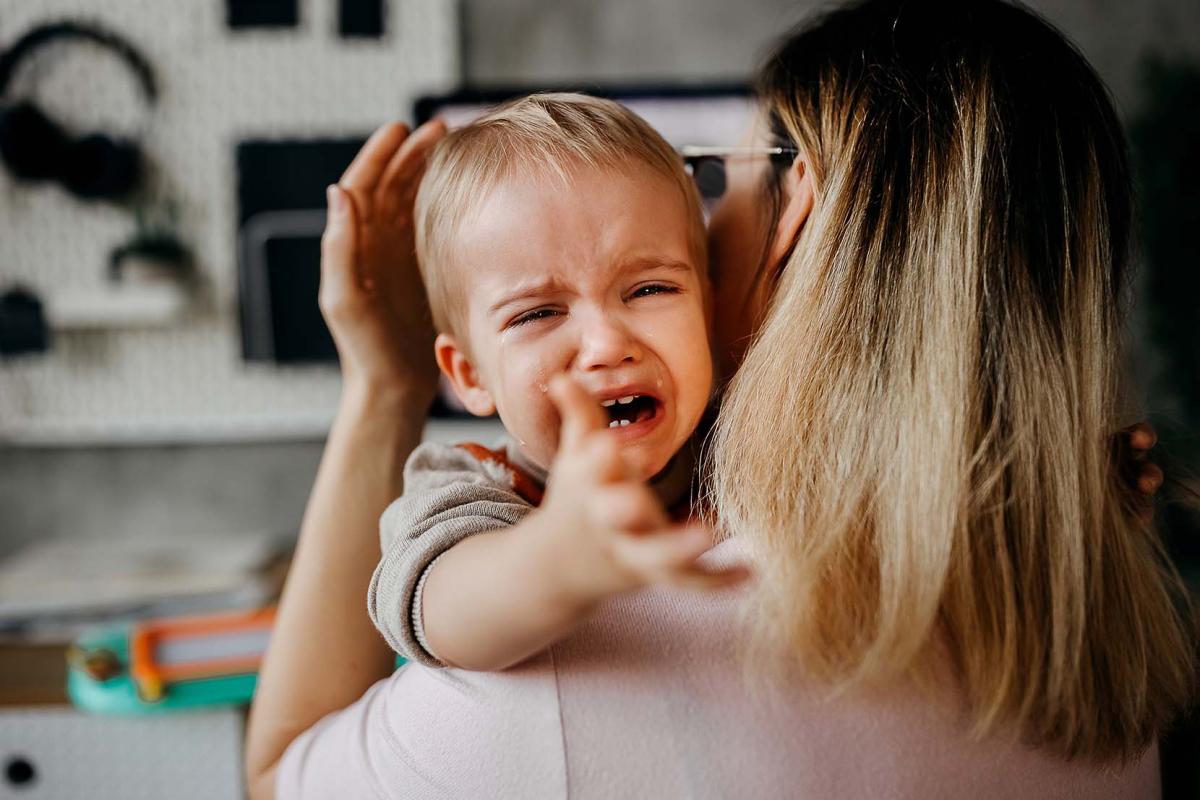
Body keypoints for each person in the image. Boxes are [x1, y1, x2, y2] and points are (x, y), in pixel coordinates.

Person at [245, 1, 1192, 797]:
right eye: (540, 309)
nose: (608, 339)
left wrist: (383, 388)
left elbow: (281, 776)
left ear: (796, 208)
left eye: (714, 178)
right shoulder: (1093, 613)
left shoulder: (577, 662)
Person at [367, 93, 744, 672]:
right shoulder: (467, 486)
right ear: (469, 375)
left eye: (649, 290)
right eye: (537, 314)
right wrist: (555, 557)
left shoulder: (749, 441)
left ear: (707, 312)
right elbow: (442, 612)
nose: (606, 345)